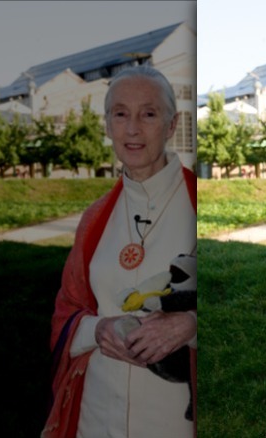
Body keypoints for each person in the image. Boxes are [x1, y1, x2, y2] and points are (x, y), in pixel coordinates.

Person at [42, 65, 198, 438]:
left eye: (148, 113)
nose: (133, 129)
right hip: (95, 414)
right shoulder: (95, 217)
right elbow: (67, 310)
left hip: (171, 418)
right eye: (121, 114)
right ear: (108, 125)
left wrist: (191, 324)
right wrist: (98, 330)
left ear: (172, 125)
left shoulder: (196, 204)